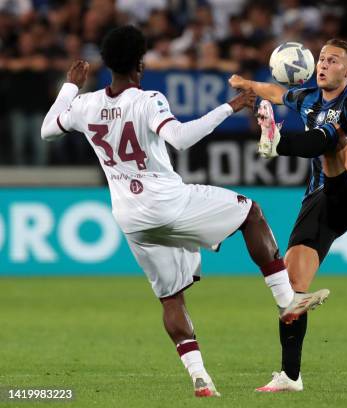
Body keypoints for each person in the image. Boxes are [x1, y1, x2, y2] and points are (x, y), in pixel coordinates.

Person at [40, 25, 329, 398]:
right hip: (168, 202)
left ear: (106, 64)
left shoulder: (86, 104)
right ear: (141, 65)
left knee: (170, 297)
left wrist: (70, 86)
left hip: (130, 217)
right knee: (251, 213)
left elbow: (49, 129)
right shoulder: (148, 100)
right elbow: (179, 137)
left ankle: (200, 377)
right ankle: (286, 300)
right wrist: (229, 107)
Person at [229, 38, 347, 392]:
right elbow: (278, 92)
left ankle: (276, 142)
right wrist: (249, 85)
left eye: (333, 60)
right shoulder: (308, 96)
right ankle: (290, 376)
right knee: (291, 287)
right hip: (322, 199)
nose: (325, 64)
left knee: (334, 137)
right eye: (322, 59)